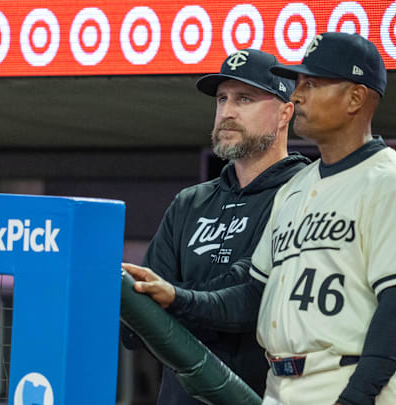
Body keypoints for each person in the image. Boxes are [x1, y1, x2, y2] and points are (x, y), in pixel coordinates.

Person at [125, 32, 396, 405]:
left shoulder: (393, 184)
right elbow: (254, 294)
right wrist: (176, 299)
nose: (298, 93)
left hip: (346, 380)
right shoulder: (297, 188)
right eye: (222, 99)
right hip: (284, 387)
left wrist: (354, 400)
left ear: (355, 97)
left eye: (312, 84)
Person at [121, 48, 310, 405]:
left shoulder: (302, 192)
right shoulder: (189, 203)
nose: (227, 111)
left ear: (285, 112)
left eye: (245, 98)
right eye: (222, 99)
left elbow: (254, 303)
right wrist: (177, 300)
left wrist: (175, 296)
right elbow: (134, 326)